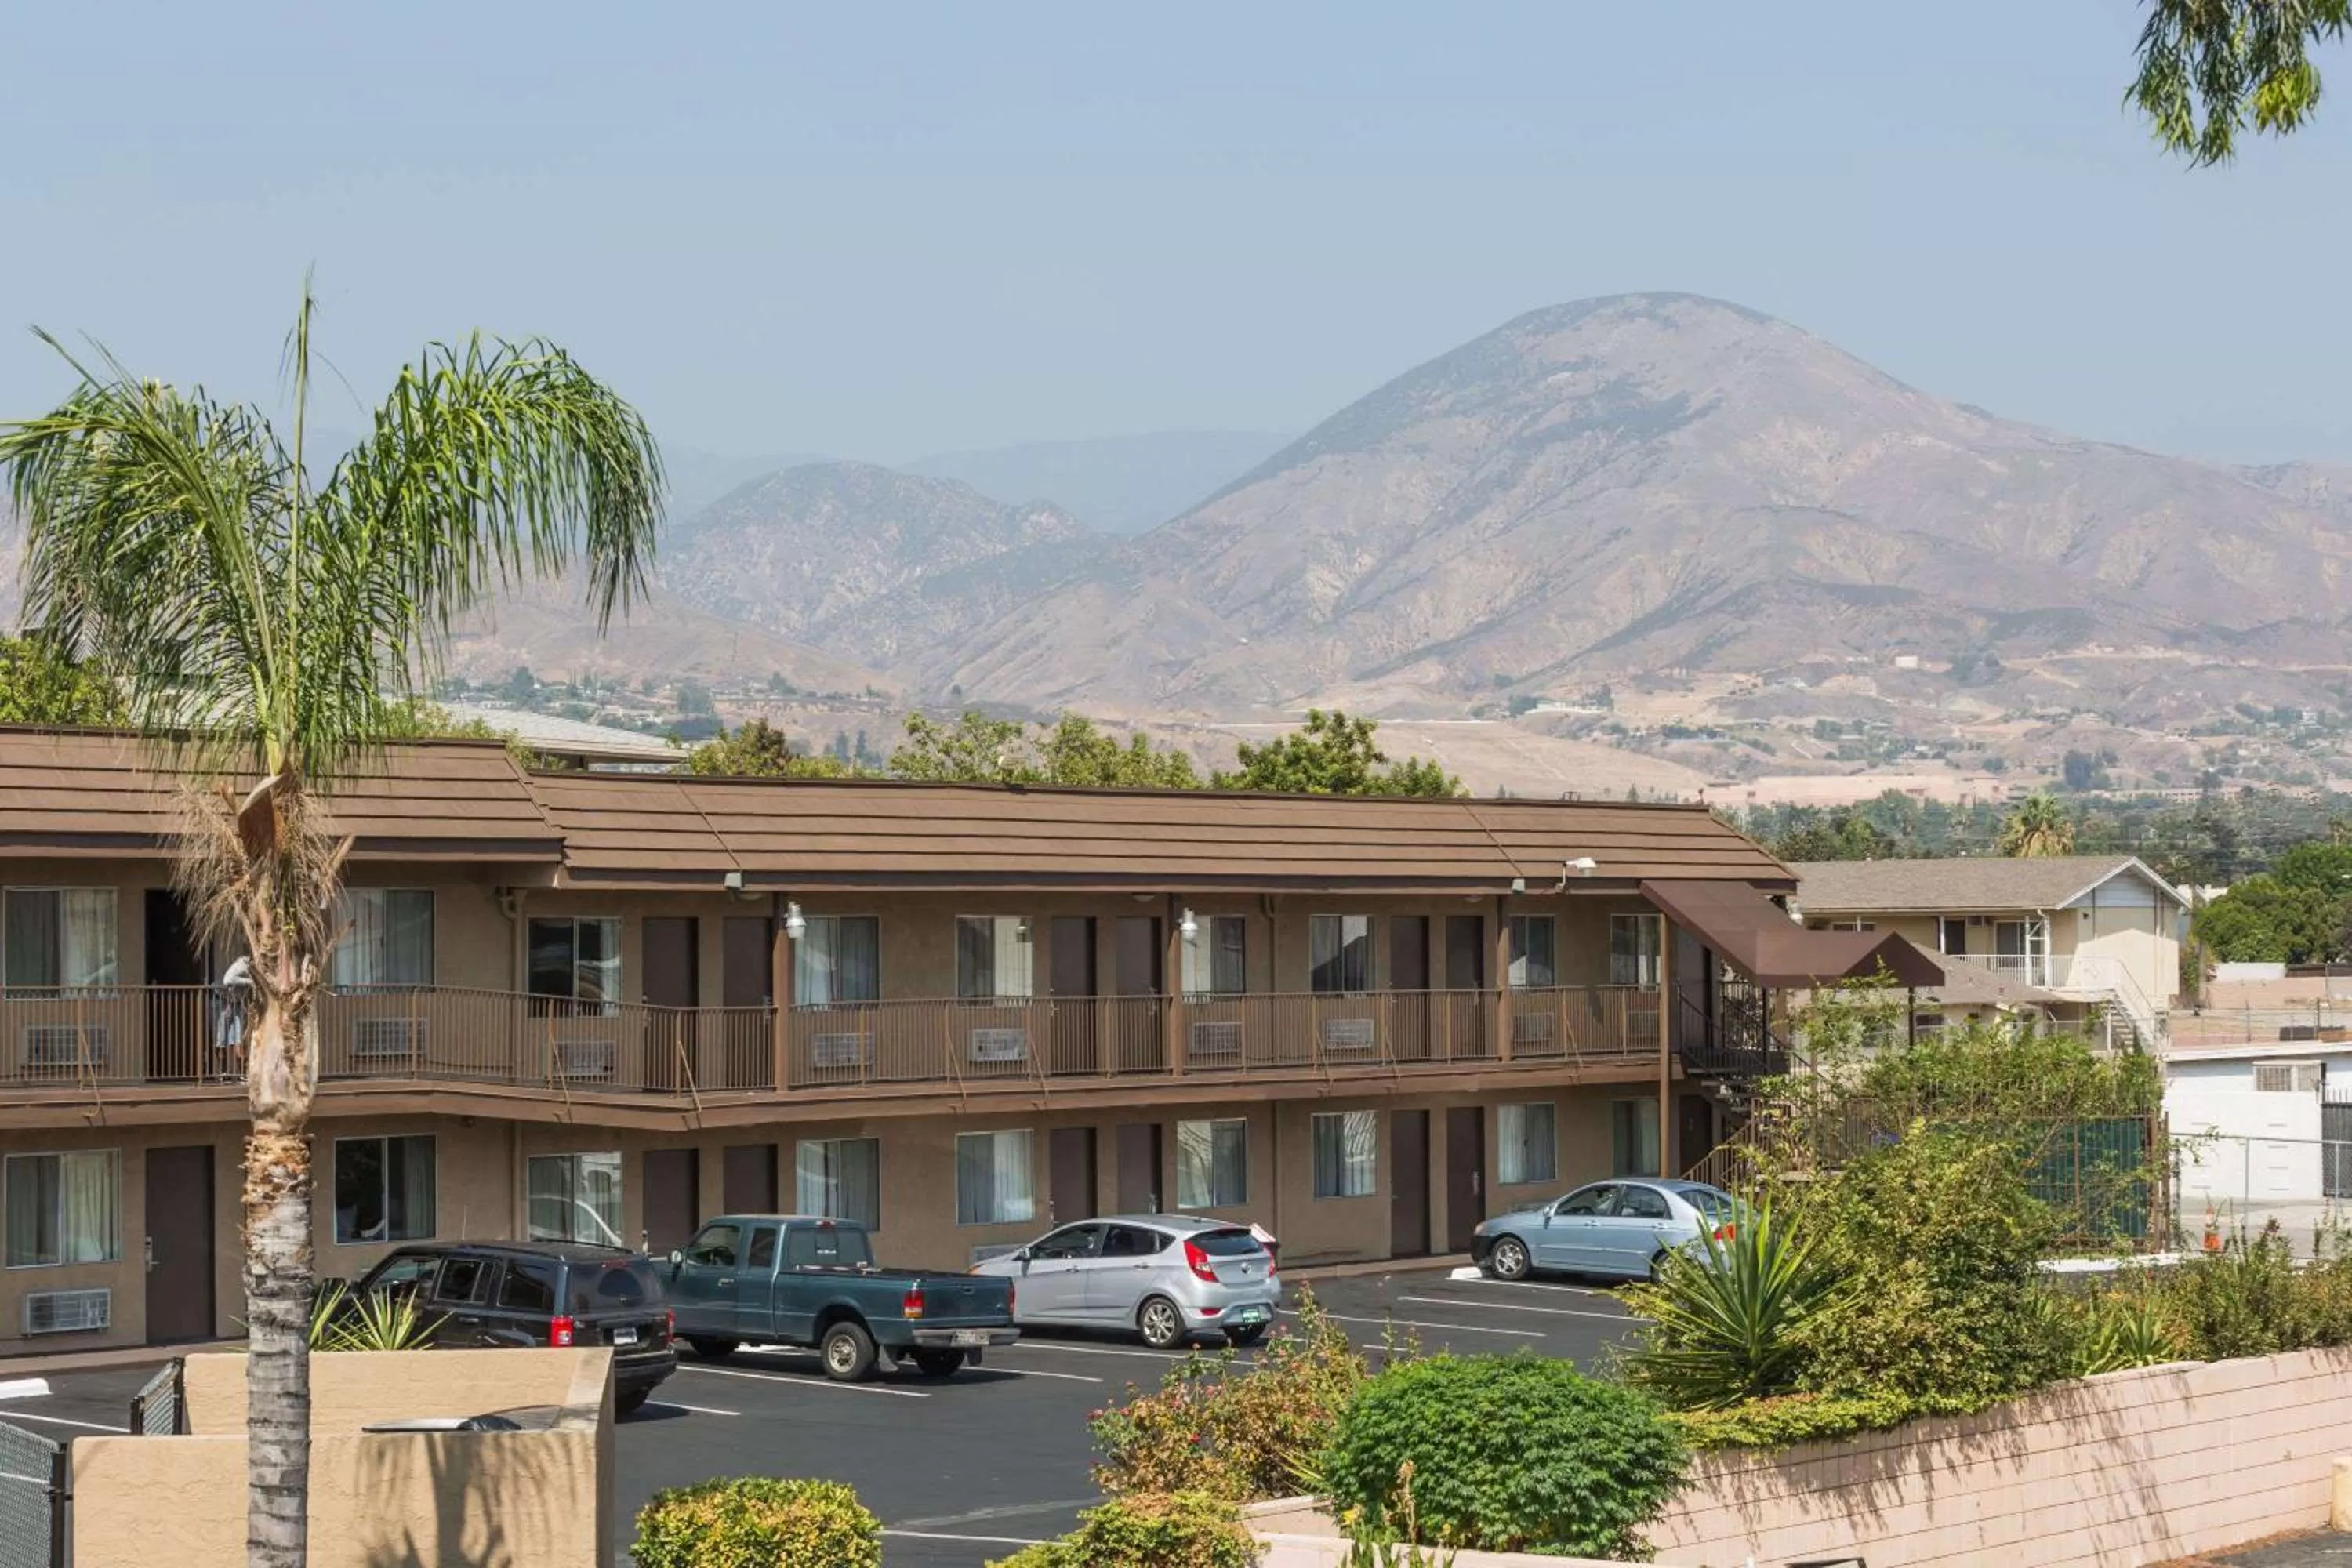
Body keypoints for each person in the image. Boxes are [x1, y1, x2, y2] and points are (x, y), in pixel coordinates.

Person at [213, 953, 252, 1079]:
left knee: (238, 1038)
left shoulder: (249, 970)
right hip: (223, 1003)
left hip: (236, 1004)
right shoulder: (242, 965)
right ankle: (222, 1072)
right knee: (222, 1039)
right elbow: (227, 980)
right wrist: (248, 981)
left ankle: (241, 1074)